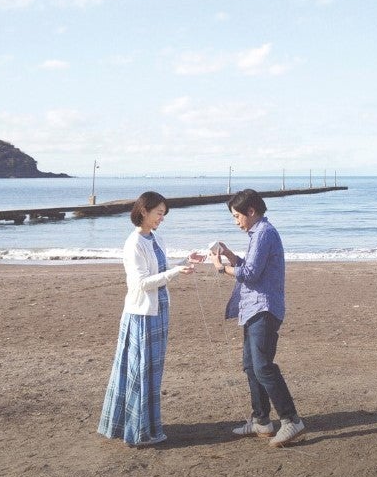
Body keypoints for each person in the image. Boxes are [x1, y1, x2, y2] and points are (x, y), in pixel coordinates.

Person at [98, 191, 197, 447]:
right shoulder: (134, 243)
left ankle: (146, 424)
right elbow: (141, 283)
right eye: (158, 213)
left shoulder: (156, 238)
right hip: (141, 313)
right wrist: (176, 272)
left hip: (159, 309)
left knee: (152, 371)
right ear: (144, 211)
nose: (161, 218)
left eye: (164, 214)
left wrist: (185, 261)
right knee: (139, 371)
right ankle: (137, 430)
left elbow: (161, 271)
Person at [210, 188, 306, 447]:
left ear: (251, 211)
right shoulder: (259, 233)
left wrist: (221, 268)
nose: (235, 221)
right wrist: (231, 257)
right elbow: (252, 266)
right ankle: (262, 420)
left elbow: (250, 274)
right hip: (253, 308)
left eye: (236, 216)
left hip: (264, 308)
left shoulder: (264, 233)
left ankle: (291, 420)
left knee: (263, 366)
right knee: (251, 366)